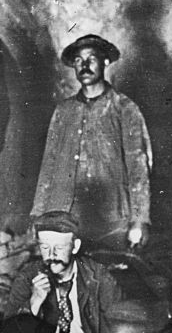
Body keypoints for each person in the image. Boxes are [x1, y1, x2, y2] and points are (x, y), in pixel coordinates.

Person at [31, 34, 152, 250]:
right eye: (78, 60)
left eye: (91, 59)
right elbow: (48, 165)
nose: (84, 65)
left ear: (105, 62)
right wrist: (38, 213)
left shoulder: (124, 108)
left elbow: (138, 168)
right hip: (64, 215)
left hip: (111, 219)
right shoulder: (63, 111)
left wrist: (140, 219)